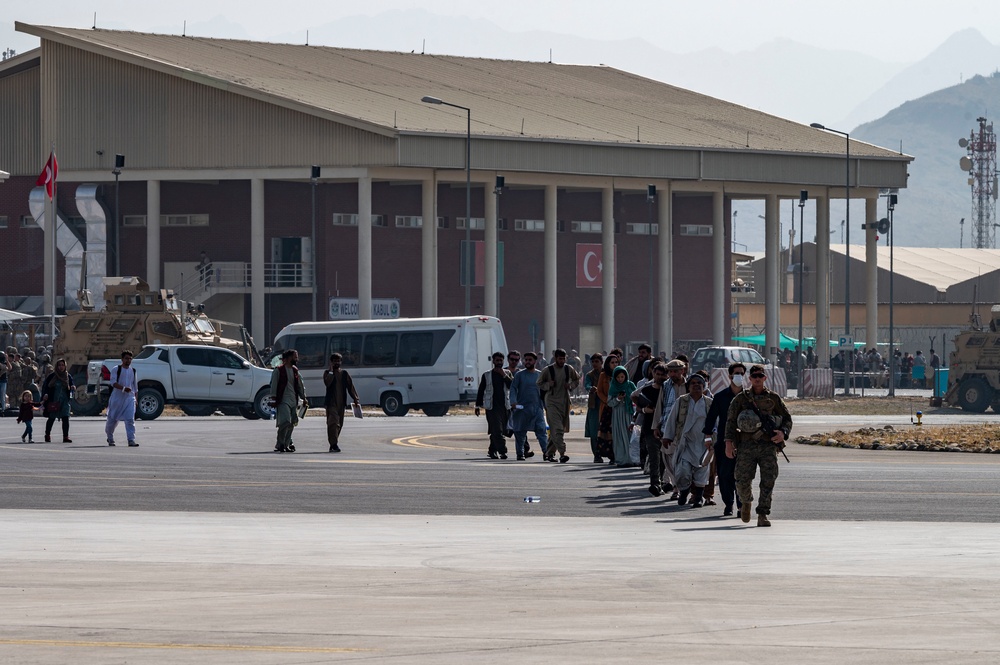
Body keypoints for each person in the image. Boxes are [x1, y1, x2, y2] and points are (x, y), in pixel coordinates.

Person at [725, 364, 792, 527]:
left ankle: (762, 513)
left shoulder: (773, 398)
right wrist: (728, 443)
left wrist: (782, 433)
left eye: (760, 376)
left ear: (765, 378)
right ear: (750, 379)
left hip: (768, 446)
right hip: (746, 445)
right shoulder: (741, 399)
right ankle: (746, 502)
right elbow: (731, 421)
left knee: (768, 479)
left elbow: (787, 419)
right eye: (754, 376)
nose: (757, 379)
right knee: (741, 479)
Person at [663, 373, 713, 507]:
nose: (696, 385)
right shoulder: (681, 401)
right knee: (683, 470)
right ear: (688, 387)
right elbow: (672, 419)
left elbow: (716, 423)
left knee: (702, 470)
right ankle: (684, 492)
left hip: (704, 443)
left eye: (699, 383)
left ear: (704, 386)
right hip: (685, 443)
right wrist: (667, 436)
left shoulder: (709, 403)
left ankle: (698, 498)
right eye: (693, 383)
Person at [703, 362, 745, 516]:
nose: (739, 376)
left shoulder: (748, 397)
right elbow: (711, 417)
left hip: (744, 443)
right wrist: (708, 436)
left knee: (741, 475)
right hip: (723, 441)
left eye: (741, 373)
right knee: (724, 474)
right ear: (729, 376)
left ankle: (742, 506)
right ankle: (729, 503)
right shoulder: (720, 397)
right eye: (736, 373)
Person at [536, 348, 580, 463]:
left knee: (557, 430)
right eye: (560, 359)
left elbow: (577, 380)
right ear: (555, 358)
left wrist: (570, 386)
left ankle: (549, 453)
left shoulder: (568, 369)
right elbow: (539, 383)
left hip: (564, 402)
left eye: (563, 358)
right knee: (558, 429)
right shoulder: (548, 370)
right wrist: (548, 384)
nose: (562, 361)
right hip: (551, 402)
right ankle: (562, 453)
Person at [652, 358, 687, 497]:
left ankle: (682, 486)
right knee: (668, 457)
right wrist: (656, 426)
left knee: (684, 458)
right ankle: (677, 486)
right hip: (668, 426)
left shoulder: (691, 384)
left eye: (676, 371)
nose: (673, 374)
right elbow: (660, 406)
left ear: (682, 371)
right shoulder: (666, 386)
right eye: (671, 371)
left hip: (686, 427)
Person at [633, 362, 666, 495]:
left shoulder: (668, 389)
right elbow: (636, 400)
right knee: (654, 457)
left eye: (662, 374)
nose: (659, 377)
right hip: (649, 428)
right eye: (657, 374)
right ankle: (655, 484)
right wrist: (644, 410)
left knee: (665, 458)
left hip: (665, 427)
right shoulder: (646, 390)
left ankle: (663, 481)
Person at [509, 351, 547, 460]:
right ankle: (520, 454)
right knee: (520, 432)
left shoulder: (540, 375)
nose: (528, 362)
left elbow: (544, 391)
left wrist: (546, 406)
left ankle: (546, 453)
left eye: (530, 360)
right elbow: (513, 389)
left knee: (541, 431)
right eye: (526, 360)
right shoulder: (519, 375)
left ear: (535, 361)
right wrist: (513, 402)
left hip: (537, 408)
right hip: (522, 409)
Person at [476, 352, 513, 460]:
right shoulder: (487, 375)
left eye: (501, 361)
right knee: (497, 430)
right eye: (497, 360)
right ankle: (502, 451)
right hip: (492, 407)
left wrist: (504, 375)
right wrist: (478, 406)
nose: (499, 363)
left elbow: (512, 386)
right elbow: (481, 390)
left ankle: (492, 450)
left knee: (500, 431)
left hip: (505, 406)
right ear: (493, 361)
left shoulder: (508, 373)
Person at [269, 349, 307, 453]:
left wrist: (304, 397)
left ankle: (285, 444)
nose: (296, 359)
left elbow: (300, 385)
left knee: (292, 423)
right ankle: (280, 443)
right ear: (288, 358)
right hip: (283, 400)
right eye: (295, 357)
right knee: (285, 421)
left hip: (293, 400)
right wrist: (273, 397)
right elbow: (274, 385)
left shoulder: (295, 370)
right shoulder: (278, 370)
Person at [323, 352, 359, 453]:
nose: (337, 363)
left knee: (340, 424)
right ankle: (334, 444)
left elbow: (350, 387)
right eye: (334, 361)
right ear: (331, 362)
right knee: (333, 423)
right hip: (331, 404)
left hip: (341, 404)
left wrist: (355, 398)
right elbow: (327, 383)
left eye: (338, 361)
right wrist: (330, 371)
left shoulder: (344, 374)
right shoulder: (327, 373)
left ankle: (333, 443)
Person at [105, 349, 139, 447]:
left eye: (130, 359)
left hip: (129, 398)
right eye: (126, 358)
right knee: (113, 419)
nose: (128, 360)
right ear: (122, 359)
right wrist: (123, 388)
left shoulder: (133, 370)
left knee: (130, 419)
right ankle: (110, 437)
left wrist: (135, 398)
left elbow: (135, 387)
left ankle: (131, 440)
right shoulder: (116, 369)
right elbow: (113, 383)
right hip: (117, 398)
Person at [608, 365, 637, 467]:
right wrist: (618, 399)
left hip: (629, 415)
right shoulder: (613, 387)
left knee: (630, 437)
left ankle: (633, 459)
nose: (620, 379)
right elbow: (609, 403)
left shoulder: (630, 385)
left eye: (622, 377)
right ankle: (622, 460)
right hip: (618, 415)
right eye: (618, 377)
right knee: (620, 436)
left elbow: (637, 398)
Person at [40, 358, 75, 443]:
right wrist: (45, 394)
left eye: (62, 365)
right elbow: (46, 387)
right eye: (59, 365)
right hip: (54, 400)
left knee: (65, 418)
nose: (61, 367)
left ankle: (65, 436)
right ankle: (47, 435)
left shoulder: (68, 376)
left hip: (64, 401)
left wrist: (73, 387)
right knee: (51, 418)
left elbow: (71, 384)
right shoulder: (52, 376)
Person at [583, 352, 605, 462]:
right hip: (594, 405)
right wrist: (590, 388)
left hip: (605, 404)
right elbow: (586, 385)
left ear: (602, 362)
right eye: (593, 362)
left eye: (597, 361)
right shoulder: (589, 375)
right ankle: (596, 454)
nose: (594, 364)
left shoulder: (606, 374)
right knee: (594, 431)